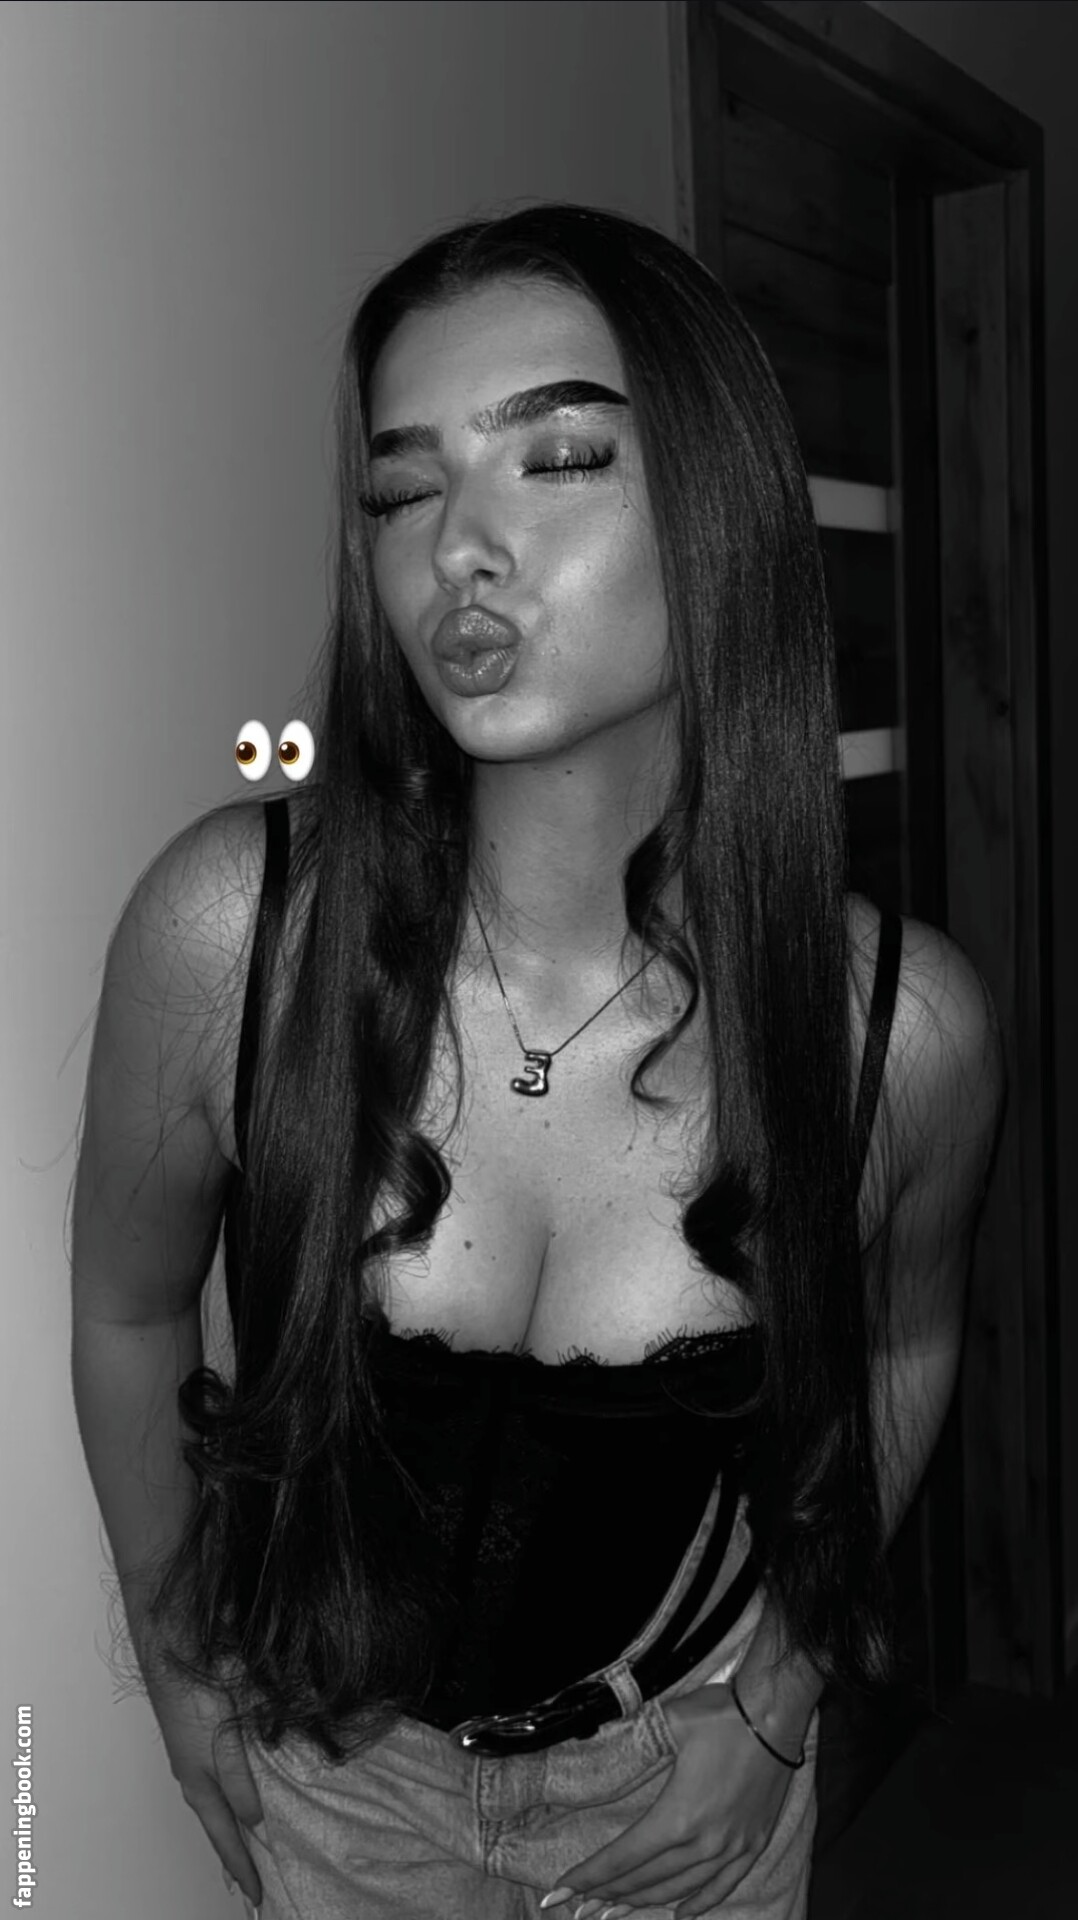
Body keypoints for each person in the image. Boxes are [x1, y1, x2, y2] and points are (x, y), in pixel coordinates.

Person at [70, 201, 1005, 1920]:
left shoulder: (899, 1031)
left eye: (557, 458)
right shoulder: (235, 933)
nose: (459, 550)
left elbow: (908, 1340)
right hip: (336, 1796)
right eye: (401, 490)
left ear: (715, 503)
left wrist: (782, 1687)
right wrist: (176, 1652)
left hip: (682, 1803)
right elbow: (129, 1313)